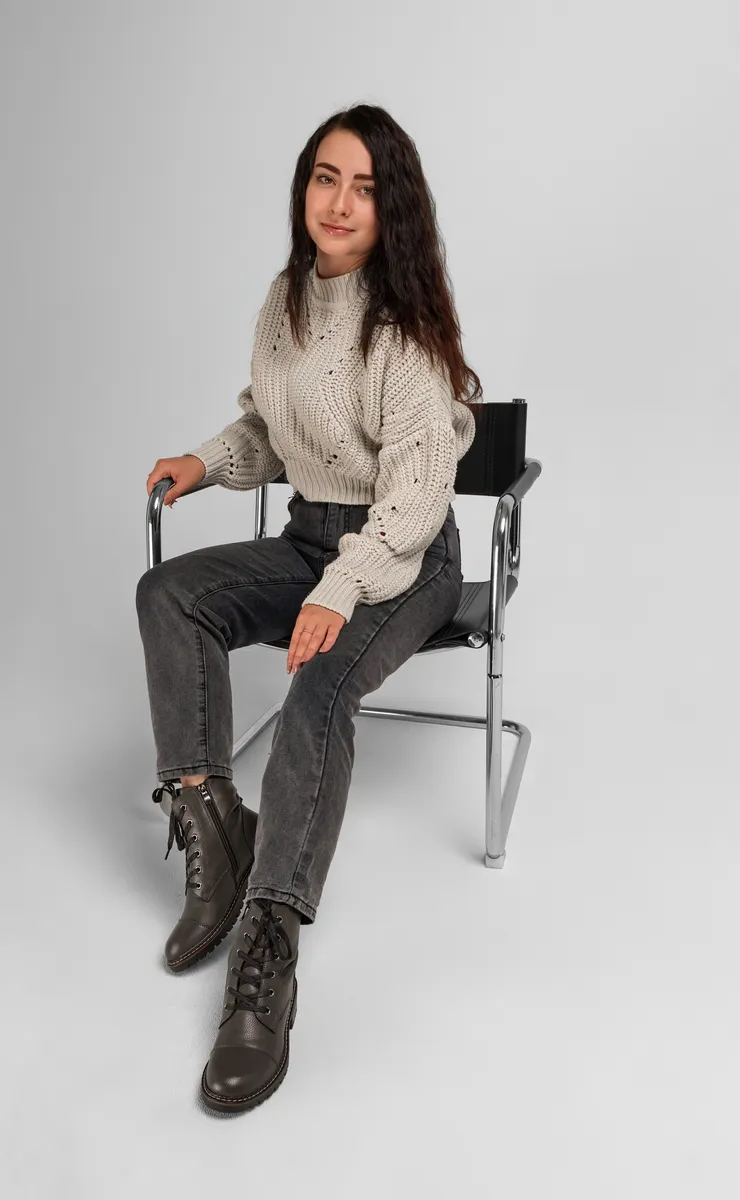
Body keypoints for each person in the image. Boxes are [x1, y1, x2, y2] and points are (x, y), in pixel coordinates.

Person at [135, 103, 482, 1115]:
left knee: (319, 683)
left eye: (365, 188)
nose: (339, 202)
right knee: (171, 595)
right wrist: (206, 462)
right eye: (326, 178)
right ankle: (215, 830)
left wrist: (340, 588)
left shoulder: (403, 334)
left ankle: (269, 940)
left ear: (391, 209)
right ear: (303, 189)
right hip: (311, 538)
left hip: (405, 557)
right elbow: (271, 431)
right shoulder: (284, 302)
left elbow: (415, 499)